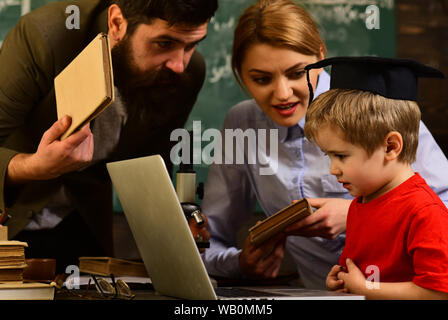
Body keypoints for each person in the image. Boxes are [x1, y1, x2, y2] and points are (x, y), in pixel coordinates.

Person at [200, 0, 448, 289]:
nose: (282, 94)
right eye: (261, 79)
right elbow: (208, 241)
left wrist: (360, 215)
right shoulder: (243, 123)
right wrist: (241, 263)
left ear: (320, 54)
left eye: (296, 73)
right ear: (240, 75)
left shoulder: (378, 108)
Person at [0, 0, 218, 273]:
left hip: (85, 226)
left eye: (191, 45)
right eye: (164, 44)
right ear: (117, 23)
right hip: (8, 225)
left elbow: (150, 161)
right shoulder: (43, 37)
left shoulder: (187, 71)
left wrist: (176, 225)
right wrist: (33, 167)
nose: (179, 64)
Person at [304, 56, 448, 299]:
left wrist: (366, 288)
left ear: (391, 147)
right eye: (328, 156)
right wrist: (345, 280)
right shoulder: (361, 204)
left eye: (341, 156)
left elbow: (438, 292)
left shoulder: (424, 212)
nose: (333, 169)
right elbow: (364, 274)